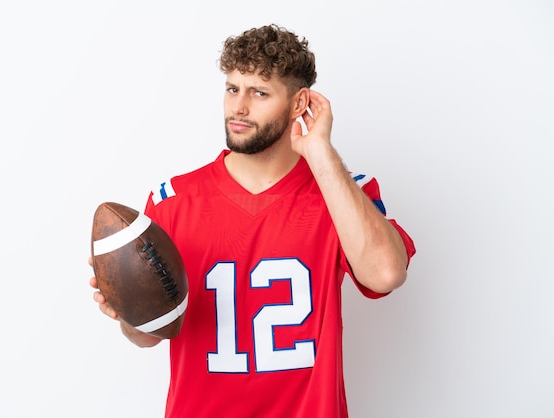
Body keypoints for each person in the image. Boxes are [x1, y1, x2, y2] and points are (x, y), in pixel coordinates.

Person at [90, 23, 416, 418]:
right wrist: (130, 308)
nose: (238, 108)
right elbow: (146, 338)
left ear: (299, 104)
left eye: (259, 93)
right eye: (232, 89)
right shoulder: (173, 200)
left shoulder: (343, 193)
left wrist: (320, 152)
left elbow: (386, 274)